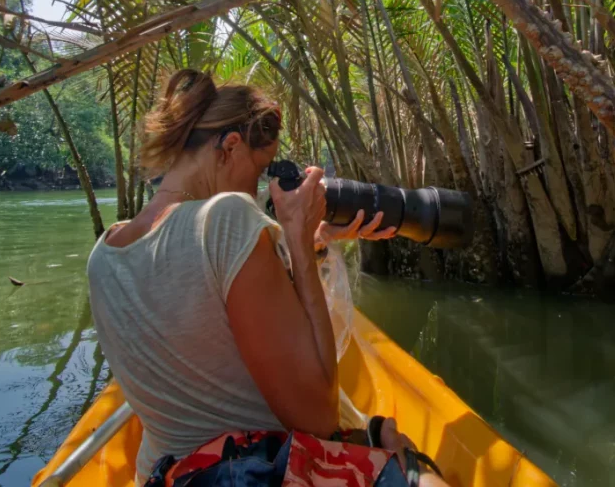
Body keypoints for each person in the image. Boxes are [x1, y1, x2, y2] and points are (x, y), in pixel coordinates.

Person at [87, 69, 397, 485]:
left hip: (162, 475)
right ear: (230, 146)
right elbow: (318, 419)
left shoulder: (104, 253)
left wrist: (313, 241)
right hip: (254, 469)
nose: (258, 191)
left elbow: (203, 320)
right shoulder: (226, 218)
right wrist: (298, 244)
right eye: (260, 170)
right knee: (405, 454)